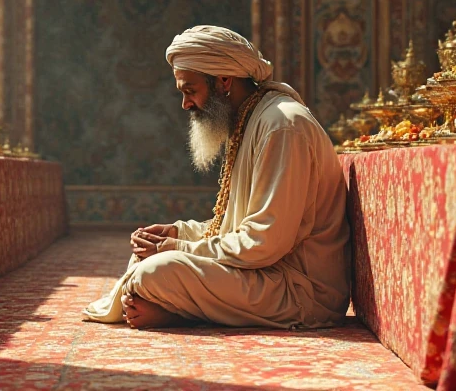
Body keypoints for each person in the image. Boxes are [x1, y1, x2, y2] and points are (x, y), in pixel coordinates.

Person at [83, 25, 350, 329]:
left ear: (224, 81)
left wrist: (177, 249)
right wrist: (177, 234)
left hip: (299, 290)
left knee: (155, 271)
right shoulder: (249, 120)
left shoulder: (282, 127)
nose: (186, 104)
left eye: (190, 90)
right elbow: (235, 228)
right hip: (264, 272)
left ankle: (177, 312)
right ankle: (174, 306)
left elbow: (264, 243)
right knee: (148, 260)